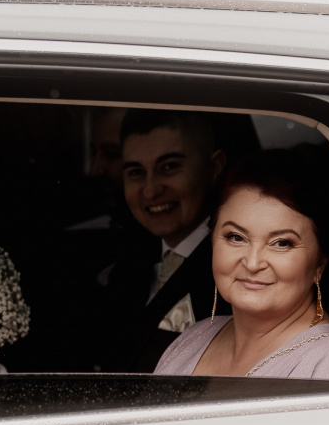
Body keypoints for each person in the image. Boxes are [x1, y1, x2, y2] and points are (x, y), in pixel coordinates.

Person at [155, 149, 329, 383]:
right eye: (236, 237)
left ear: (320, 263)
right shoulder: (194, 337)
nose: (252, 263)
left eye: (281, 243)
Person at [95, 109, 229, 372]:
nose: (151, 190)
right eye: (136, 172)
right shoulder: (125, 256)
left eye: (169, 167)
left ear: (213, 168)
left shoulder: (237, 265)